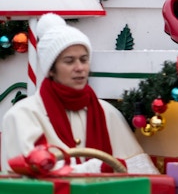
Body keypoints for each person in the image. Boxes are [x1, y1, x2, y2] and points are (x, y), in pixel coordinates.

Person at [0, 14, 158, 174]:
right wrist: (93, 169)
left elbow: (140, 173)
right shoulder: (23, 115)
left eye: (84, 60)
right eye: (69, 61)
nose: (79, 67)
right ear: (51, 69)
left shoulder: (107, 113)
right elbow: (26, 178)